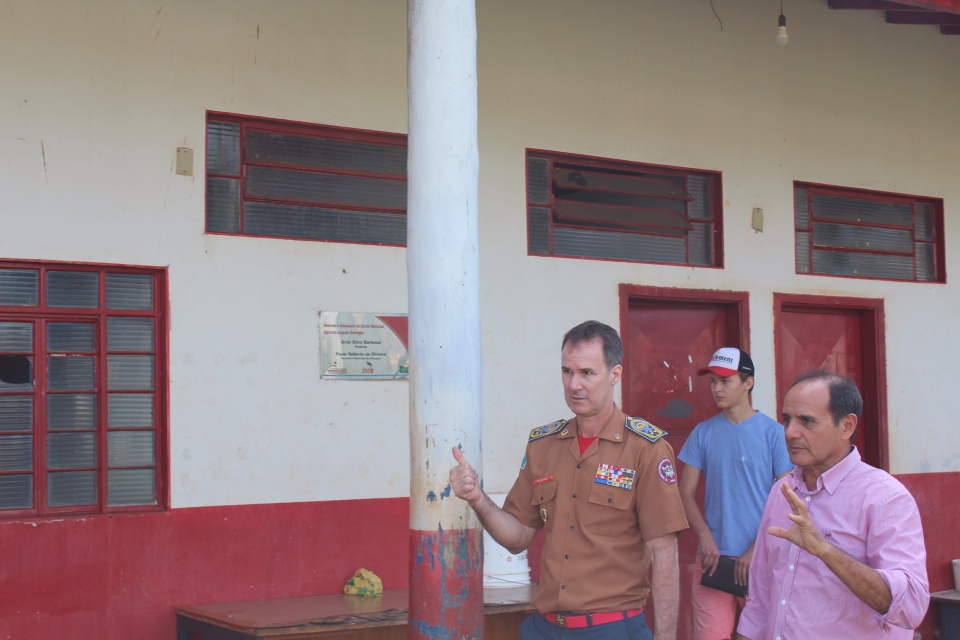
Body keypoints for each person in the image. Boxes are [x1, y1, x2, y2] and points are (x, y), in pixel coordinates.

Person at [449, 320, 688, 640]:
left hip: (612, 630)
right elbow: (517, 536)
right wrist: (478, 498)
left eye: (587, 373)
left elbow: (664, 555)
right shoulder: (543, 445)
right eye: (567, 371)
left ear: (615, 374)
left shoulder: (645, 449)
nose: (574, 385)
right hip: (544, 628)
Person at [736, 371, 930, 640]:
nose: (790, 432)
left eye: (806, 421)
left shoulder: (884, 498)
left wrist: (825, 551)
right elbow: (759, 601)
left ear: (847, 426)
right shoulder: (782, 492)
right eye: (787, 420)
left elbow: (911, 608)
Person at [678, 348, 793, 640]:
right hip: (713, 560)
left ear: (748, 383)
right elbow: (685, 492)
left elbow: (787, 499)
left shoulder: (774, 434)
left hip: (763, 558)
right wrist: (704, 537)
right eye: (713, 381)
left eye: (726, 381)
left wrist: (755, 550)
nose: (717, 388)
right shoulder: (703, 432)